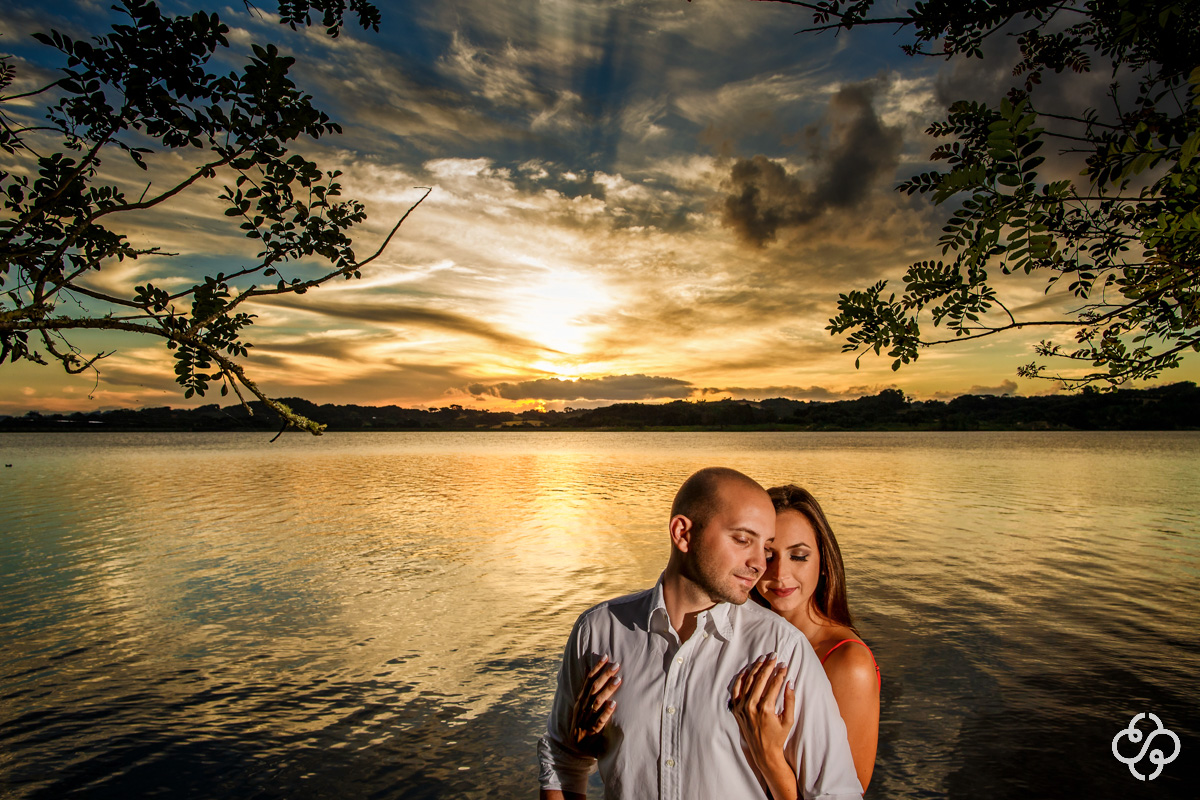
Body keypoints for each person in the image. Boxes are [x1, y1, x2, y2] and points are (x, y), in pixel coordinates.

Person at [537, 467, 862, 800]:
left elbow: (837, 793)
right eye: (742, 539)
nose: (760, 565)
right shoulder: (599, 631)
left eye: (763, 547)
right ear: (682, 533)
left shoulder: (783, 650)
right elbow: (563, 758)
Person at [733, 484, 880, 793]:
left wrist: (770, 755)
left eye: (799, 556)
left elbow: (846, 793)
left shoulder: (847, 662)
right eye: (769, 555)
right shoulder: (742, 640)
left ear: (823, 563)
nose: (780, 573)